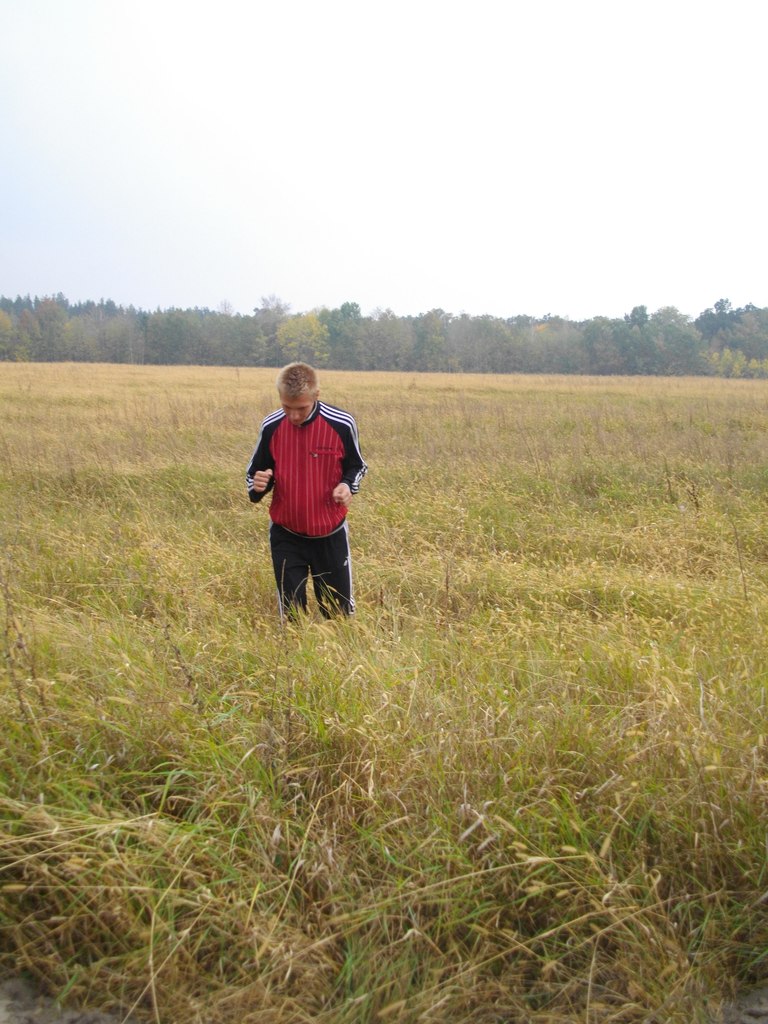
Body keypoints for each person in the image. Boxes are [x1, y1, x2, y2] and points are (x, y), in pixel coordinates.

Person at [246, 362, 367, 619]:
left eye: (301, 408)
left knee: (338, 615)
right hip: (286, 535)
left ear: (316, 395)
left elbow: (357, 466)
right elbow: (255, 474)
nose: (293, 416)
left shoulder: (342, 423)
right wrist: (258, 486)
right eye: (286, 407)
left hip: (330, 535)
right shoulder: (271, 426)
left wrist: (347, 485)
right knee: (292, 617)